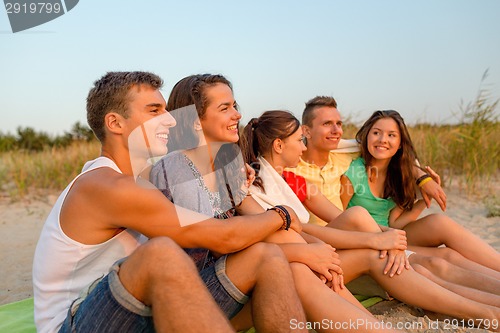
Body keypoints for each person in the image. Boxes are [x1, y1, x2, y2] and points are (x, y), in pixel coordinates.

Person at [33, 71, 308, 333]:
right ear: (116, 123)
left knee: (266, 257)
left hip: (136, 306)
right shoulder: (107, 186)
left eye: (166, 109)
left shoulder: (141, 179)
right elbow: (222, 237)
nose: (171, 119)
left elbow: (192, 179)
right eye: (154, 111)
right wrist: (281, 214)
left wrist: (234, 174)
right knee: (161, 254)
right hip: (76, 324)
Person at [150, 74, 404, 333]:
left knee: (295, 256)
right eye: (225, 108)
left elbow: (264, 222)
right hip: (194, 296)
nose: (237, 115)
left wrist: (319, 254)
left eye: (234, 105)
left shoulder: (226, 165)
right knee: (292, 260)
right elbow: (215, 245)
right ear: (195, 121)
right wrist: (303, 252)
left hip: (232, 280)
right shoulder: (178, 168)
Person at [240, 110, 500, 315]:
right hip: (316, 252)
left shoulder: (299, 179)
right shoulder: (254, 181)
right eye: (301, 140)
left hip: (343, 239)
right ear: (280, 144)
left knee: (437, 253)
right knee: (432, 264)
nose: (305, 146)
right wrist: (377, 239)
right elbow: (303, 228)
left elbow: (339, 214)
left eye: (339, 124)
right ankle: (486, 311)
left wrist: (393, 231)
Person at [338, 110, 500, 287]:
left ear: (400, 143)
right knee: (447, 257)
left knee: (440, 223)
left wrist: (423, 200)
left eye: (391, 135)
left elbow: (394, 223)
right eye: (376, 133)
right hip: (365, 242)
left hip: (392, 234)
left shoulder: (399, 174)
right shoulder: (354, 173)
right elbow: (340, 220)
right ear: (367, 136)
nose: (383, 139)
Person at [293, 96, 447, 226]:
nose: (336, 130)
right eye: (327, 123)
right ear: (306, 131)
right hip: (337, 238)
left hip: (367, 234)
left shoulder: (346, 157)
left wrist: (423, 177)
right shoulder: (290, 168)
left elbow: (393, 155)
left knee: (441, 230)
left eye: (339, 124)